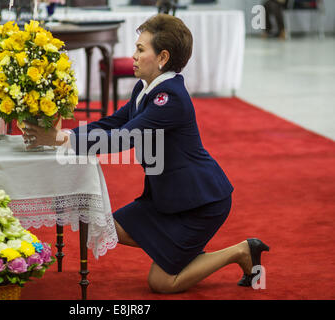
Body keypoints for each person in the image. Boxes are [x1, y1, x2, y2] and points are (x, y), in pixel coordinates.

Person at [22, 14, 269, 293]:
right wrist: (65, 134)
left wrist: (57, 140)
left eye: (141, 49)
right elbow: (112, 123)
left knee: (162, 283)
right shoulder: (145, 88)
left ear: (163, 57)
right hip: (168, 199)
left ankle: (241, 251)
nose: (133, 56)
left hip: (201, 203)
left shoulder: (170, 98)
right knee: (108, 226)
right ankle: (182, 252)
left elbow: (123, 137)